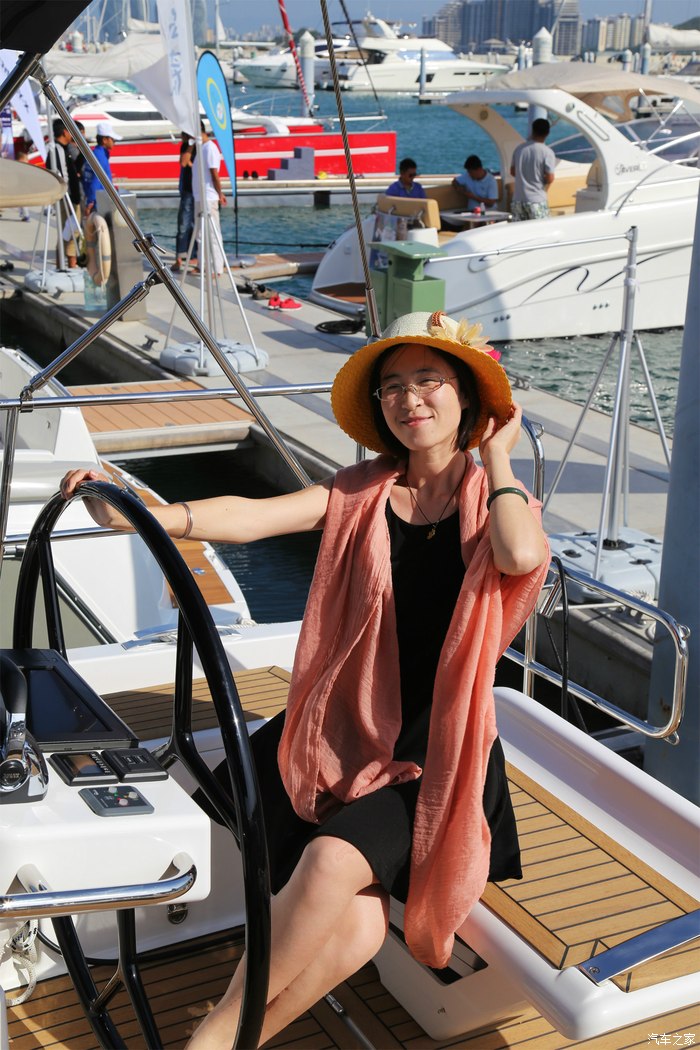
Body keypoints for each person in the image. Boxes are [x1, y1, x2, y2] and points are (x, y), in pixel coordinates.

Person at [60, 309, 549, 1048]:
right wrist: (146, 516)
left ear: (469, 400)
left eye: (429, 380)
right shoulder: (360, 494)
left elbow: (519, 557)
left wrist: (499, 457)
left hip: (437, 755)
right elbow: (253, 518)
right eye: (393, 386)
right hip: (347, 733)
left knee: (327, 865)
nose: (409, 398)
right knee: (355, 927)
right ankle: (238, 1041)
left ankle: (214, 1036)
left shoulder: (497, 506)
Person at [45, 119, 82, 266]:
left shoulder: (64, 149)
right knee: (72, 230)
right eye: (70, 130)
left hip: (69, 197)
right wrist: (70, 197)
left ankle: (67, 263)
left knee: (70, 229)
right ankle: (66, 263)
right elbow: (62, 176)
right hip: (67, 198)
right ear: (65, 132)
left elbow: (72, 169)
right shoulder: (58, 150)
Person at [192, 120, 226, 276]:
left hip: (209, 196)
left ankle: (216, 268)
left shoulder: (210, 148)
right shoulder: (200, 148)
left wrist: (219, 193)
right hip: (199, 196)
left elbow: (214, 173)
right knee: (200, 234)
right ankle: (202, 264)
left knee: (212, 233)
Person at [509, 117, 556, 221]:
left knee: (520, 229)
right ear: (547, 133)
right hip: (537, 200)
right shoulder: (547, 152)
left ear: (533, 130)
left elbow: (512, 172)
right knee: (540, 229)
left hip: (518, 200)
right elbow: (550, 178)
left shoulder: (519, 149)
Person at [82, 120, 121, 214]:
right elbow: (95, 180)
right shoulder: (100, 156)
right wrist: (91, 202)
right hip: (98, 202)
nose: (114, 142)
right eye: (113, 139)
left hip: (99, 198)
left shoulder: (96, 153)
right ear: (104, 140)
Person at [172, 131, 196, 272]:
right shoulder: (186, 146)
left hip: (197, 191)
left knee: (195, 225)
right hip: (187, 190)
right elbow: (184, 162)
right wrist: (190, 145)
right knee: (183, 225)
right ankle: (179, 258)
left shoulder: (202, 146)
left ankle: (193, 255)